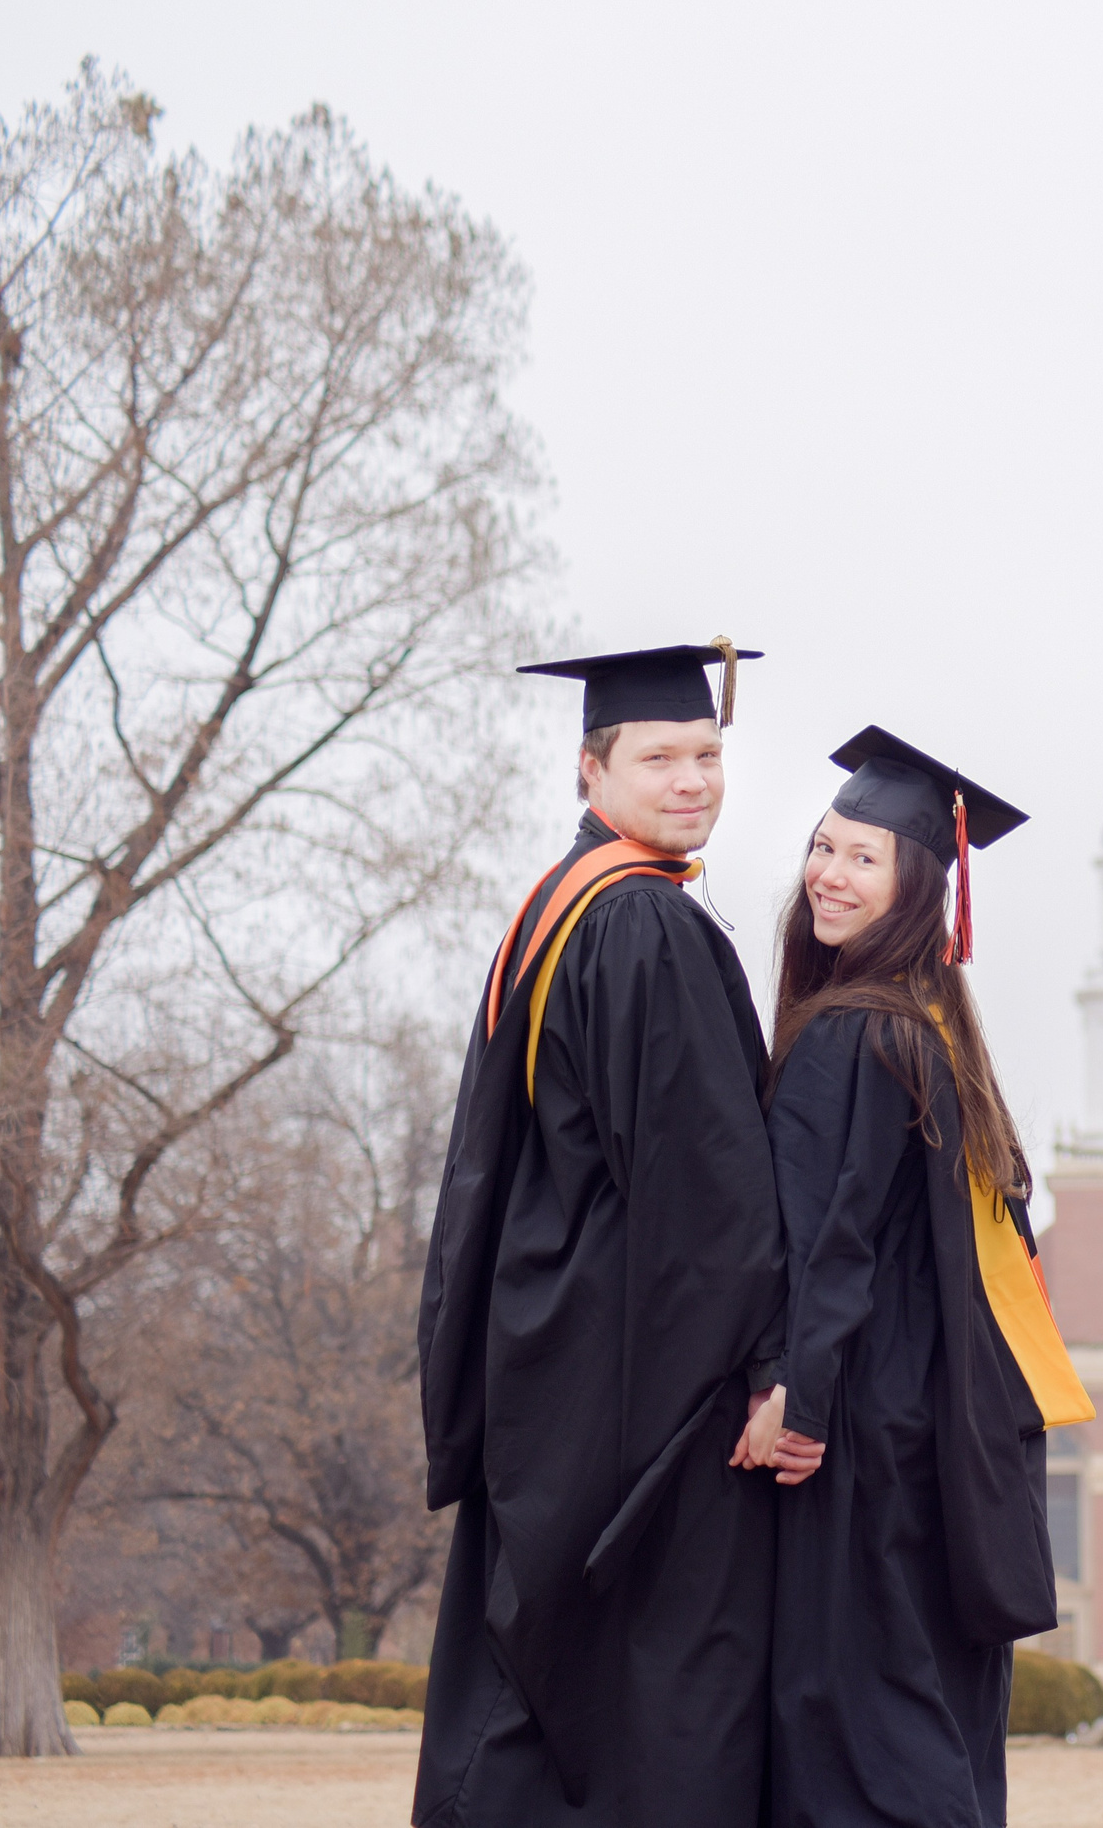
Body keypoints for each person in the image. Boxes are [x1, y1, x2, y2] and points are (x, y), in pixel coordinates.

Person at [415, 641, 787, 1828]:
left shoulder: (557, 905)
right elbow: (707, 1194)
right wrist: (771, 1366)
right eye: (662, 757)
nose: (694, 780)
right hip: (639, 1378)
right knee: (653, 1692)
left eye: (709, 755)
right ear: (592, 770)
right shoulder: (643, 926)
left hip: (550, 1351)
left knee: (537, 1672)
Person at [737, 725, 1094, 1828]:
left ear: (913, 890)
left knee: (854, 1730)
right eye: (823, 847)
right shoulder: (937, 1036)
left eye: (862, 858)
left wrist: (794, 1388)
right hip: (937, 1445)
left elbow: (826, 1241)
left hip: (860, 1448)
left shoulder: (852, 1035)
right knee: (926, 1722)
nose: (829, 875)